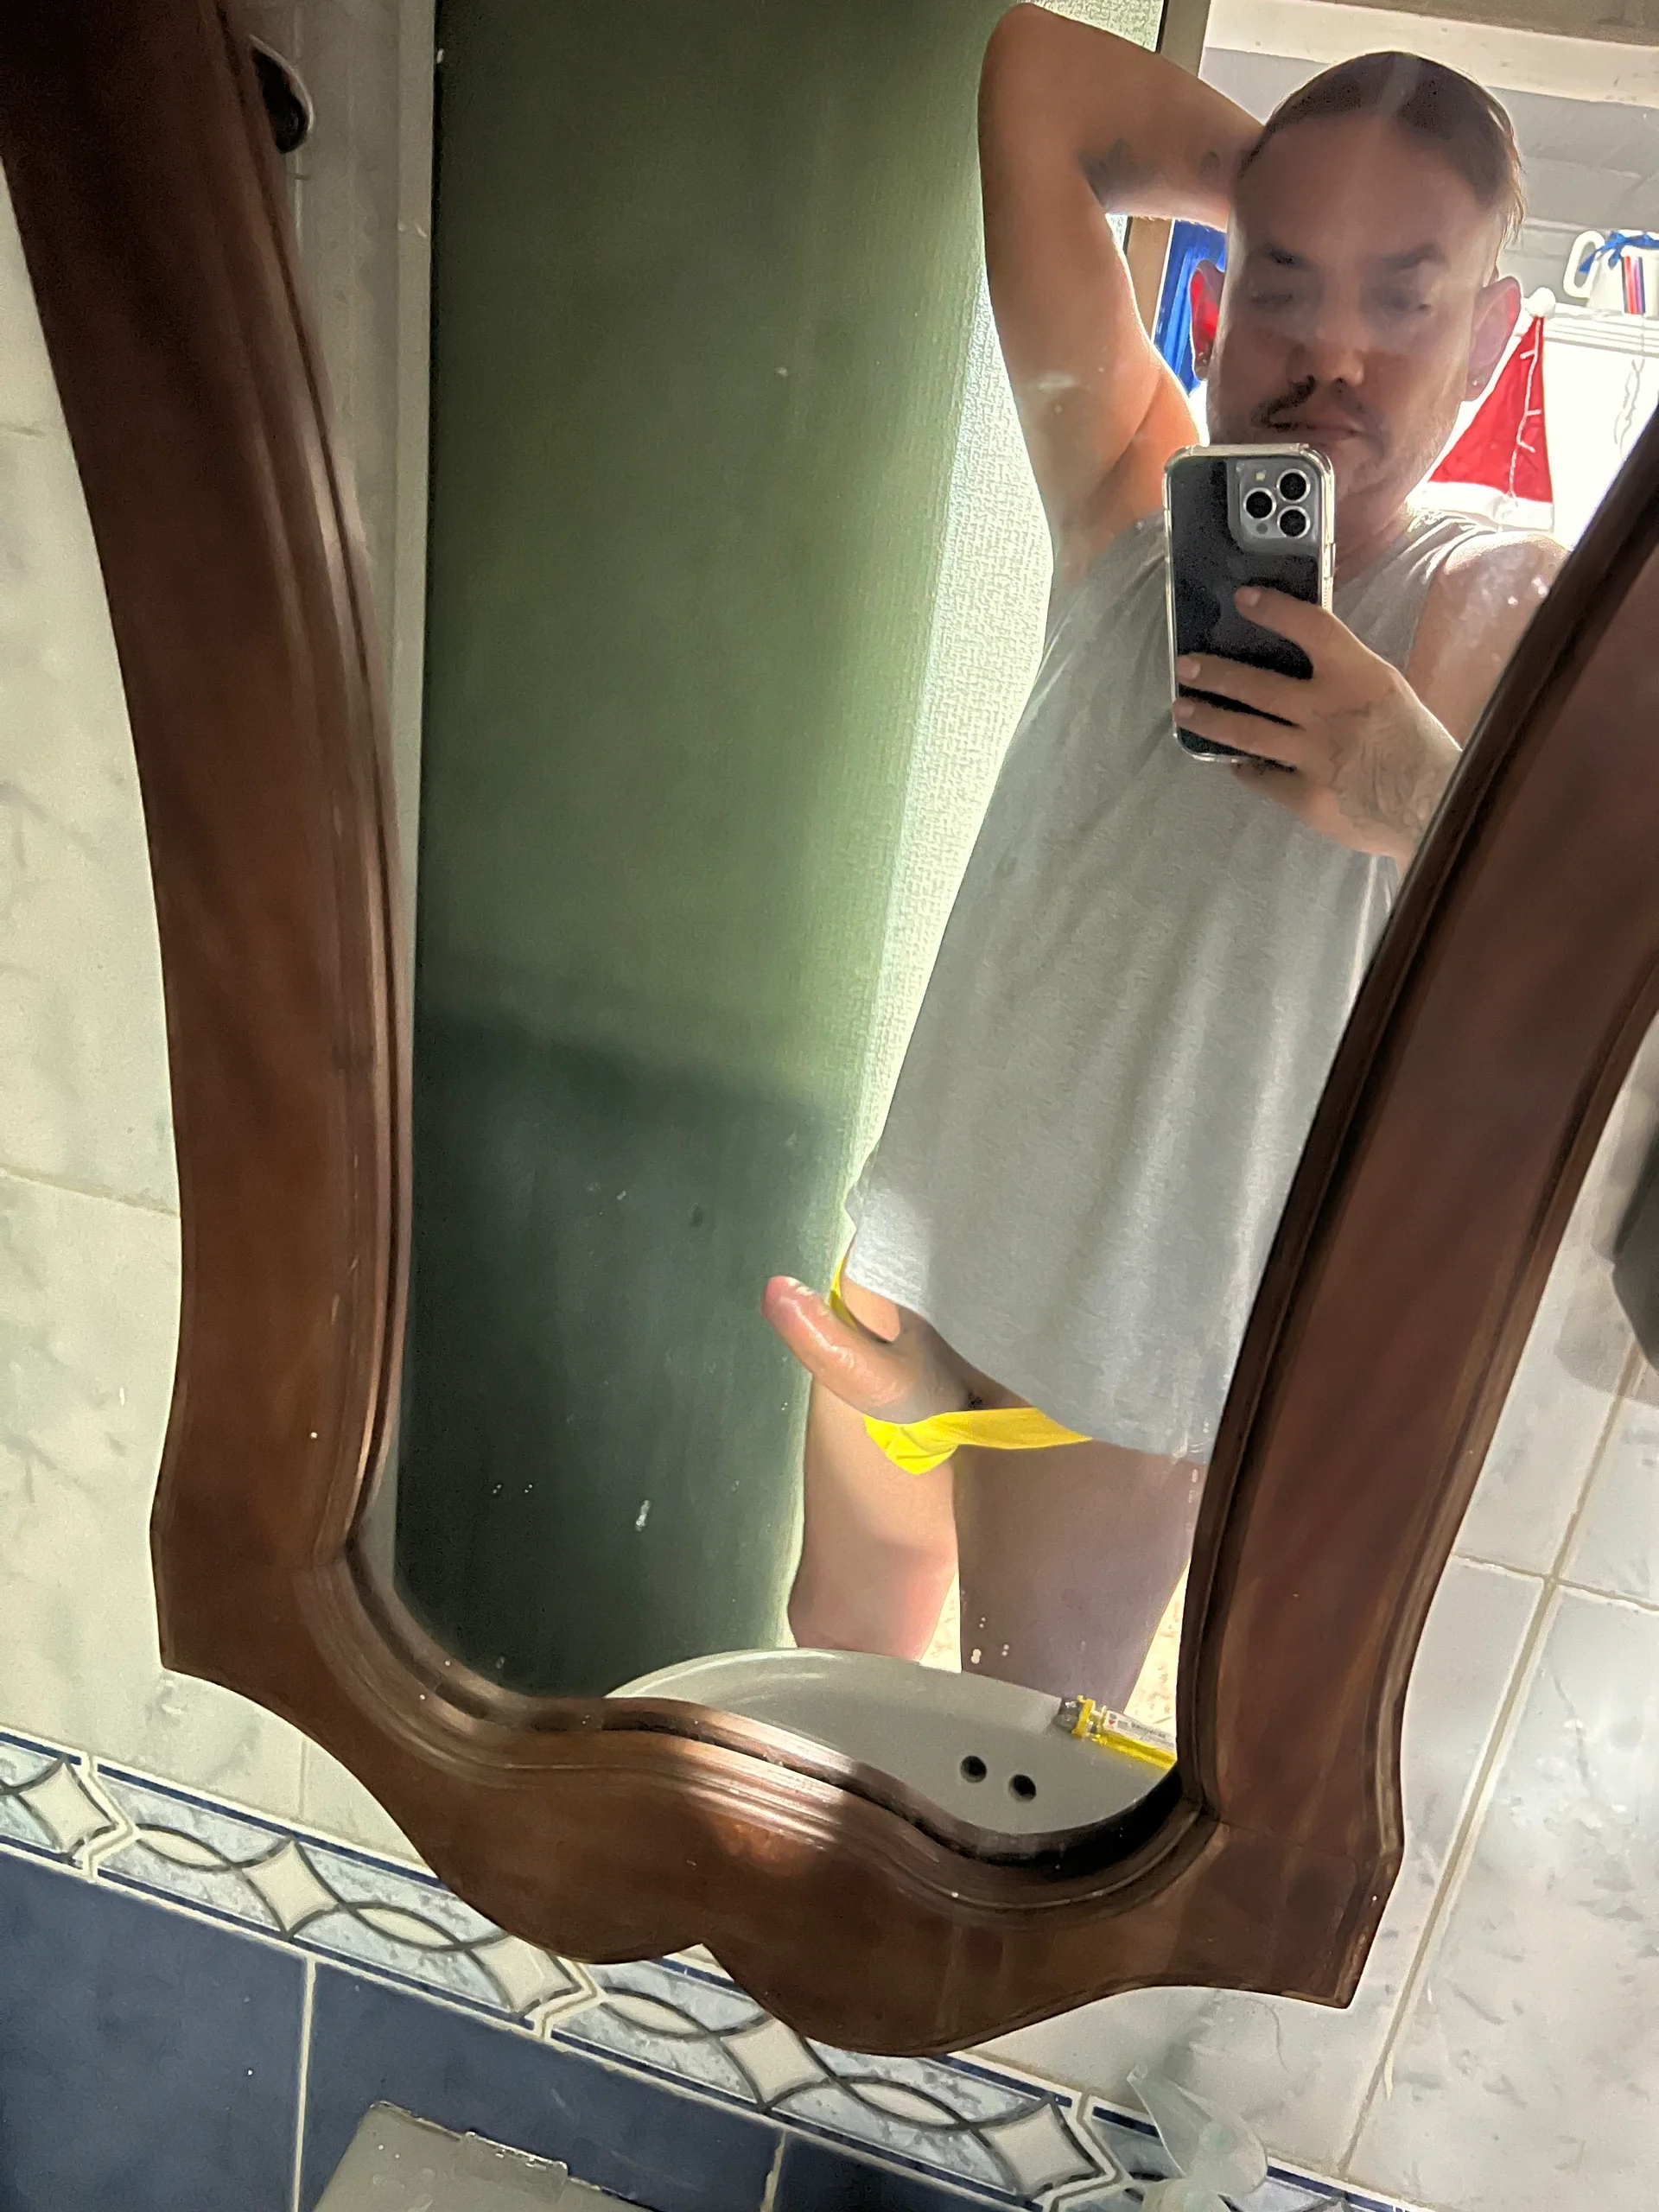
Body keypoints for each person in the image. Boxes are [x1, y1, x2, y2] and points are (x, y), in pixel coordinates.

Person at [764, 16, 1565, 1707]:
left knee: (1002, 1786)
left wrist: (1412, 783)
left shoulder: (1487, 594)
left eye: (1402, 297)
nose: (1329, 353)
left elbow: (1597, 932)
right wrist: (1284, 186)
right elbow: (1037, 79)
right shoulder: (1130, 513)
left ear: (1493, 336)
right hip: (914, 1269)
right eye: (1286, 282)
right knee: (832, 1662)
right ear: (1221, 293)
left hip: (1115, 1377)